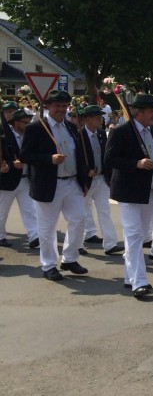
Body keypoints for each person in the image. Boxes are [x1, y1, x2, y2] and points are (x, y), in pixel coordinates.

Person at [104, 93, 153, 297]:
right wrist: (136, 164)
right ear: (139, 112)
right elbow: (110, 158)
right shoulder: (121, 131)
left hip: (151, 191)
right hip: (129, 192)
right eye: (151, 110)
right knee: (134, 235)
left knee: (138, 235)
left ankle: (130, 277)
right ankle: (139, 282)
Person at [19, 90, 91, 281]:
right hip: (48, 184)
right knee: (47, 227)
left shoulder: (71, 126)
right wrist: (48, 159)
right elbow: (25, 156)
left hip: (72, 182)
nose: (61, 109)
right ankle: (49, 265)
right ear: (48, 106)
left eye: (64, 106)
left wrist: (84, 181)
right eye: (57, 106)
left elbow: (79, 156)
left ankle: (69, 258)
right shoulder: (36, 128)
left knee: (79, 219)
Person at [78, 105, 122, 256]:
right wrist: (85, 172)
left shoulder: (102, 134)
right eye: (97, 117)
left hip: (101, 179)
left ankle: (110, 244)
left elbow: (107, 156)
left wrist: (108, 176)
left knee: (105, 211)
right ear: (87, 119)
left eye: (101, 116)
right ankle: (77, 244)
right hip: (86, 180)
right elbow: (76, 158)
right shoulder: (79, 135)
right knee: (80, 213)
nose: (100, 119)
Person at [0, 108, 38, 249]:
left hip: (25, 179)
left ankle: (35, 236)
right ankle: (0, 236)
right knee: (2, 211)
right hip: (8, 180)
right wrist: (11, 164)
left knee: (30, 209)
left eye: (29, 122)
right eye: (24, 123)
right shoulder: (4, 138)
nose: (27, 125)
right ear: (15, 123)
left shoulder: (29, 136)